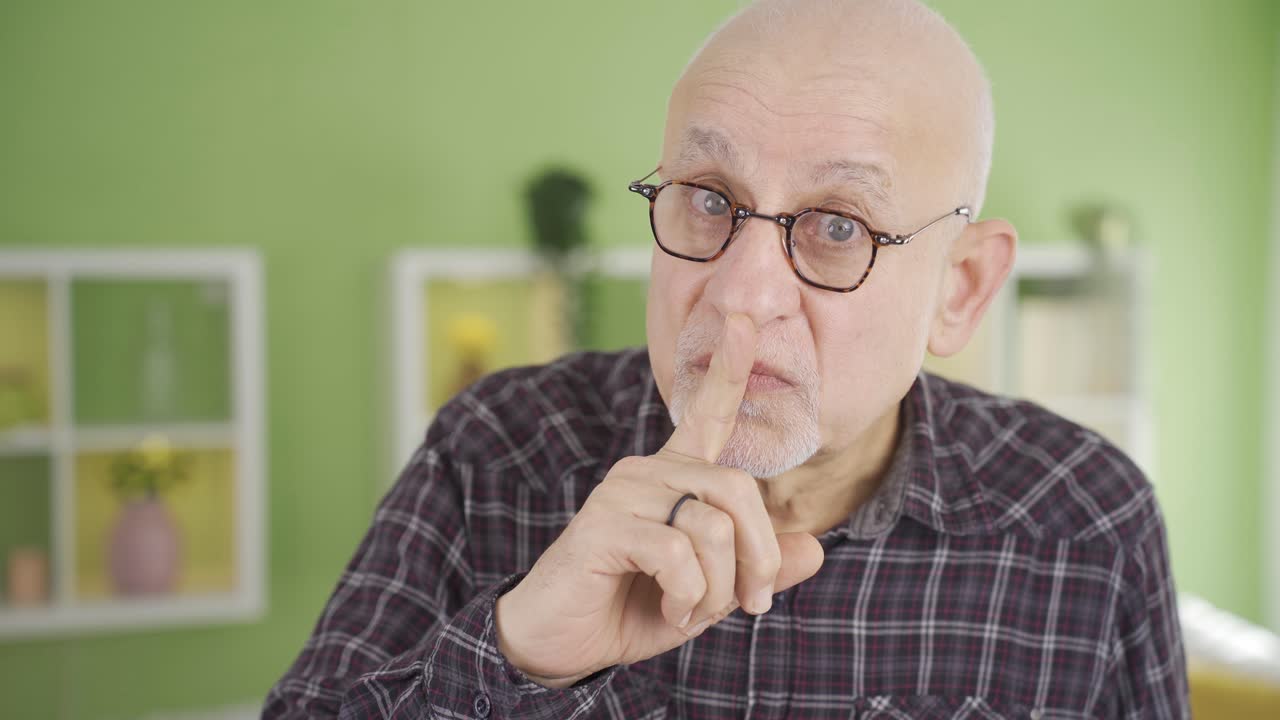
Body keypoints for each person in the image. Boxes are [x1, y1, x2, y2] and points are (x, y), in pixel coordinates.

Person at [262, 0, 1190, 717]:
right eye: (709, 198)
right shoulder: (497, 448)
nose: (741, 292)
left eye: (838, 226)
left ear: (962, 288)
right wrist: (520, 657)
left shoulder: (1087, 522)